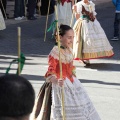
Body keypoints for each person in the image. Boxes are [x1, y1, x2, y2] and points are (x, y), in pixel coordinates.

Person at [32, 24, 101, 120]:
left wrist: (72, 75)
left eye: (73, 37)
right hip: (60, 83)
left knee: (81, 105)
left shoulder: (68, 49)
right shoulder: (55, 52)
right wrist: (56, 80)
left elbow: (70, 66)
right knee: (63, 110)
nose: (72, 40)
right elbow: (50, 72)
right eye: (69, 37)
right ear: (60, 37)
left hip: (71, 81)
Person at [73, 0, 114, 65]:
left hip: (92, 22)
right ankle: (85, 58)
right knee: (85, 40)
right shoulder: (79, 4)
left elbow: (94, 14)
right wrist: (75, 11)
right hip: (84, 23)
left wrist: (96, 24)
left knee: (94, 39)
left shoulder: (91, 3)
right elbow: (77, 17)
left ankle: (87, 57)